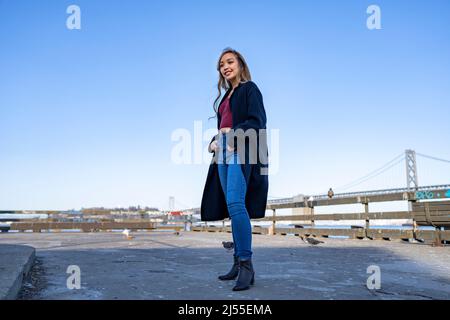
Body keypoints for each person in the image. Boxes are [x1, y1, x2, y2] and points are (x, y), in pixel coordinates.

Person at [200, 47, 269, 291]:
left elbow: (258, 121)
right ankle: (237, 264)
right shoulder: (223, 99)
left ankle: (246, 265)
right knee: (231, 206)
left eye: (230, 61)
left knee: (238, 204)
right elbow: (224, 127)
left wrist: (232, 134)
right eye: (221, 64)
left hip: (242, 150)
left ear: (240, 63)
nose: (225, 66)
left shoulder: (250, 89)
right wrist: (213, 141)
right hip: (222, 154)